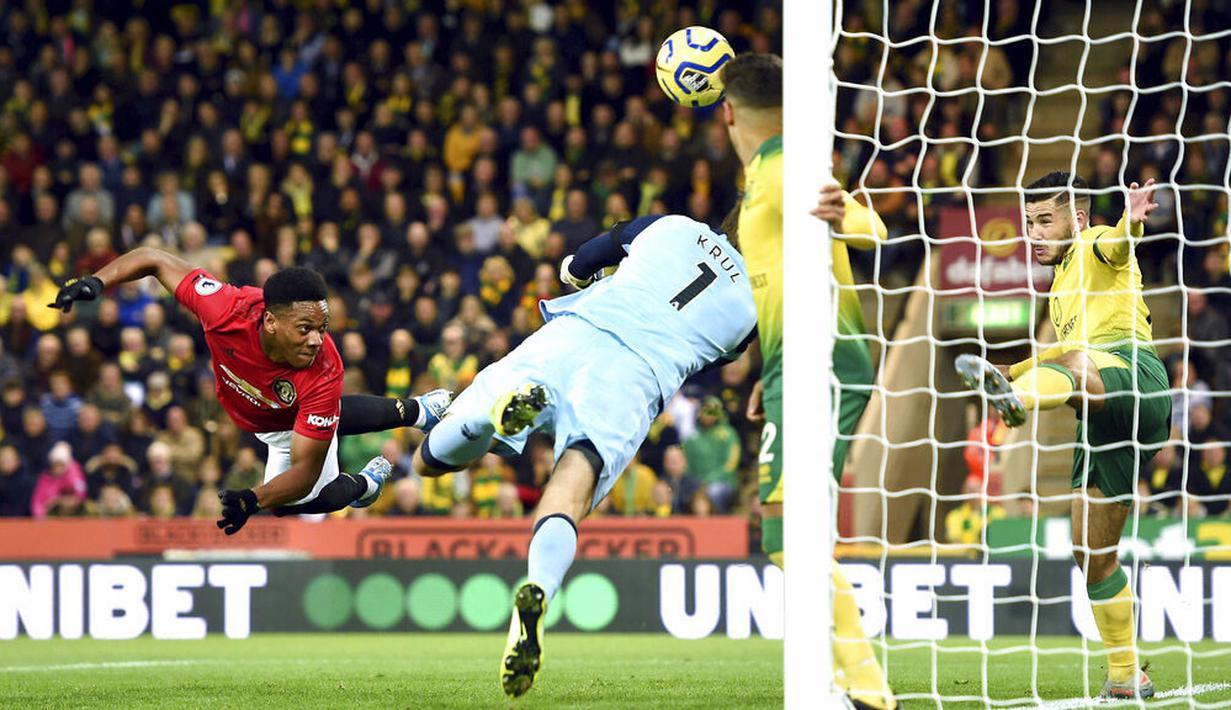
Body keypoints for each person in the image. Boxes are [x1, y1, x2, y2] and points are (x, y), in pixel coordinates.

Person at [409, 211, 756, 698]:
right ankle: (538, 592)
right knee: (569, 489)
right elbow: (722, 355)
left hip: (575, 333)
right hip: (633, 377)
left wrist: (579, 272)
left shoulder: (672, 225)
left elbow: (583, 260)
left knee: (426, 461)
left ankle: (486, 417)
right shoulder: (754, 310)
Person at [49, 246, 452, 534]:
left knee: (300, 500)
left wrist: (254, 499)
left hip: (286, 425)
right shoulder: (225, 309)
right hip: (262, 416)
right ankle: (420, 413)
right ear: (271, 322)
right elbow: (154, 257)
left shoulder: (324, 368)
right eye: (305, 328)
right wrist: (97, 282)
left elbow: (304, 470)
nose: (316, 340)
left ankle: (366, 482)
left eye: (323, 328)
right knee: (292, 481)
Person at [721, 53, 894, 710]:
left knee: (783, 530)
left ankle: (865, 687)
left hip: (819, 359)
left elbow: (869, 228)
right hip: (797, 359)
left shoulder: (782, 166)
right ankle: (852, 681)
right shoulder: (773, 170)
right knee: (789, 533)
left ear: (726, 112)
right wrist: (770, 364)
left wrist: (839, 211)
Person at [955, 172, 1166, 700]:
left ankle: (1020, 404)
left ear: (1077, 218)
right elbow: (1055, 356)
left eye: (1045, 221)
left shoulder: (1095, 244)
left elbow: (1118, 246)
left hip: (1133, 376)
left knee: (1074, 361)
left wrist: (1131, 222)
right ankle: (1126, 675)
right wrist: (1018, 370)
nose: (1035, 233)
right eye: (1029, 223)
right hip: (1100, 416)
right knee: (1090, 552)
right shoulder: (1058, 288)